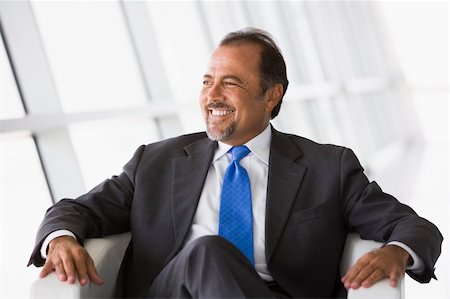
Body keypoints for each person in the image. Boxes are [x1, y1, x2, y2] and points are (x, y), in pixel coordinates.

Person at [29, 28, 442, 299]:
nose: (213, 95)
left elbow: (414, 227)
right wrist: (61, 238)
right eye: (208, 81)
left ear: (272, 95)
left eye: (231, 82)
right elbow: (76, 210)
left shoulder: (326, 167)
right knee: (206, 251)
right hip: (175, 293)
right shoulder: (156, 162)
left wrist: (397, 252)